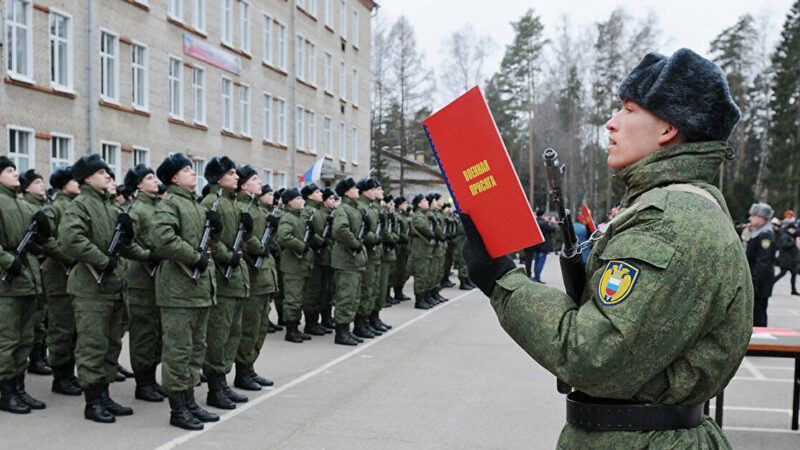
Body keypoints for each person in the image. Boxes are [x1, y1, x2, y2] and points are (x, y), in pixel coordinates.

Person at [460, 48, 752, 447]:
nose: (611, 124)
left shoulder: (669, 221)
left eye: (629, 110)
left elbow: (593, 353)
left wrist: (501, 281)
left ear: (667, 129)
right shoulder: (669, 207)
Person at [59, 154, 135, 423]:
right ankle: (93, 402)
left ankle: (104, 395)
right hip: (91, 287)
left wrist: (129, 233)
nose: (109, 175)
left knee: (111, 344)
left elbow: (121, 244)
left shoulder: (110, 206)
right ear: (88, 178)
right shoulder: (80, 205)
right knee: (92, 345)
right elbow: (70, 239)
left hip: (113, 286)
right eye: (102, 172)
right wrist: (102, 260)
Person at [151, 153, 219, 430]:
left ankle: (190, 402)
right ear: (174, 178)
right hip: (178, 291)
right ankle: (178, 410)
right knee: (178, 351)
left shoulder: (194, 205)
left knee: (195, 350)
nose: (193, 173)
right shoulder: (170, 204)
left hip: (199, 289)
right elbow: (163, 239)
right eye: (186, 170)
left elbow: (204, 242)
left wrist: (214, 228)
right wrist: (193, 257)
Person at [0, 157, 54, 414]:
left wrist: (43, 230)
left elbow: (38, 239)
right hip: (7, 282)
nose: (14, 174)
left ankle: (19, 388)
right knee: (7, 340)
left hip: (27, 279)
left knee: (24, 339)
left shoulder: (20, 204)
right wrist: (8, 261)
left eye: (14, 169)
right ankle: (5, 392)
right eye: (8, 170)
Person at [201, 156, 251, 409]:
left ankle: (223, 383)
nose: (236, 177)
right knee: (218, 334)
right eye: (231, 173)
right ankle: (215, 386)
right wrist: (225, 255)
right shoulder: (212, 202)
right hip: (222, 277)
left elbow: (234, 238)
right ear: (218, 178)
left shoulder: (231, 203)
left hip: (235, 278)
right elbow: (207, 239)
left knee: (232, 333)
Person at [123, 164, 167, 402]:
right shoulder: (136, 210)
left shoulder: (157, 207)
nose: (155, 181)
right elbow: (127, 245)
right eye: (149, 178)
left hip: (158, 278)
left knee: (157, 331)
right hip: (141, 279)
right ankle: (143, 383)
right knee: (143, 333)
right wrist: (148, 256)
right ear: (139, 185)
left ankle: (151, 378)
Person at [234, 171, 279, 391]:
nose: (259, 182)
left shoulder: (259, 208)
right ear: (243, 186)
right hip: (252, 276)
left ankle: (249, 368)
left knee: (260, 327)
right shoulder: (243, 209)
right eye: (253, 179)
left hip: (264, 277)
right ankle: (242, 372)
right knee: (249, 328)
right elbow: (244, 239)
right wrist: (260, 248)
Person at [43, 166, 82, 396]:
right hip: (59, 275)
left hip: (75, 275)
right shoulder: (55, 208)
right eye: (73, 180)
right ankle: (60, 376)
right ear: (63, 185)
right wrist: (71, 259)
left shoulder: (75, 205)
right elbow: (47, 241)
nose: (78, 182)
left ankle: (70, 373)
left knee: (75, 329)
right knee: (61, 328)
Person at [330, 177, 367, 346]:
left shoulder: (354, 208)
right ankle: (341, 333)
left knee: (353, 297)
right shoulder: (344, 209)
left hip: (354, 261)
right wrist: (354, 243)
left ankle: (347, 330)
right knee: (345, 297)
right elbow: (340, 229)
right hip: (346, 260)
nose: (357, 190)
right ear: (346, 192)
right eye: (354, 188)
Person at [277, 187, 315, 343]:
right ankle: (291, 330)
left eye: (301, 198)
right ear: (290, 202)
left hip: (301, 264)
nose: (302, 202)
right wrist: (301, 246)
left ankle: (296, 327)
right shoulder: (288, 217)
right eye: (298, 199)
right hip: (292, 265)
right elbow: (283, 236)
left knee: (300, 298)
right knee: (293, 298)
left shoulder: (300, 217)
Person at [299, 183, 329, 337]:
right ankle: (310, 323)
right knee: (312, 292)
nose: (320, 194)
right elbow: (305, 230)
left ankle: (316, 322)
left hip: (322, 256)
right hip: (314, 257)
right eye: (317, 192)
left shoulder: (319, 211)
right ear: (310, 195)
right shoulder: (308, 211)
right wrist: (318, 240)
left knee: (321, 292)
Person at [747, 203, 776, 327]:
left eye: (753, 216)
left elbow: (763, 262)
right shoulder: (758, 232)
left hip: (760, 284)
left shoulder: (765, 235)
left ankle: (762, 343)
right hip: (758, 282)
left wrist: (753, 282)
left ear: (762, 219)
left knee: (758, 316)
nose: (750, 218)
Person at [408, 194, 436, 309]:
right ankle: (419, 300)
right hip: (420, 252)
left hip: (425, 251)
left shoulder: (425, 215)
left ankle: (424, 298)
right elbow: (426, 229)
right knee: (420, 276)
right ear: (419, 204)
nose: (427, 202)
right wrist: (432, 230)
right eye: (424, 201)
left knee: (425, 275)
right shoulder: (418, 216)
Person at [530, 208, 557, 283]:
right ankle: (537, 278)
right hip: (543, 246)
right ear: (542, 215)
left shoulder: (535, 222)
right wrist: (553, 222)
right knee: (540, 263)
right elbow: (553, 229)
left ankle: (535, 276)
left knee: (536, 262)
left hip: (536, 246)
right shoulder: (544, 223)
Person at [775, 221, 800, 295]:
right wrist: (794, 243)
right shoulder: (785, 236)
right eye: (792, 229)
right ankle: (770, 284)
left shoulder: (792, 236)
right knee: (782, 274)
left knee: (794, 276)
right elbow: (784, 245)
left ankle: (793, 290)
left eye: (794, 229)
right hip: (786, 260)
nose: (793, 230)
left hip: (792, 261)